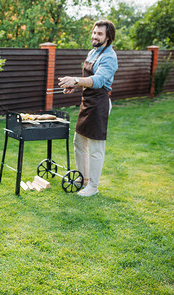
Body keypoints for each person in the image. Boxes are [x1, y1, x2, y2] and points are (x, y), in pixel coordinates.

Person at [58, 20, 118, 197]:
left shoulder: (109, 57)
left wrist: (76, 80)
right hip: (87, 102)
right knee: (79, 142)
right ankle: (83, 179)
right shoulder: (92, 52)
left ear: (108, 37)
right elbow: (87, 81)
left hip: (99, 104)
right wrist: (75, 86)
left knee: (96, 147)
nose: (94, 36)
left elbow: (98, 81)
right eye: (94, 32)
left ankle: (93, 186)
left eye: (99, 34)